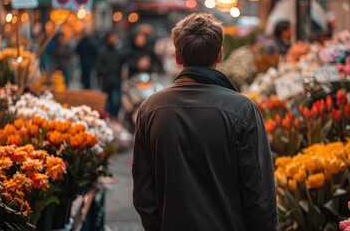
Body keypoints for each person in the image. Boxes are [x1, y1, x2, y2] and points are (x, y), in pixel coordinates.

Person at [132, 13, 278, 231]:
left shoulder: (150, 109)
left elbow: (144, 195)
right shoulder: (243, 110)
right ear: (219, 54)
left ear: (177, 57)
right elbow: (260, 198)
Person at [96, 31, 123, 118]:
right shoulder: (102, 51)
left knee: (116, 101)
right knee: (107, 102)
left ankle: (114, 117)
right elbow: (98, 67)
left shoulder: (118, 51)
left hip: (116, 80)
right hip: (106, 80)